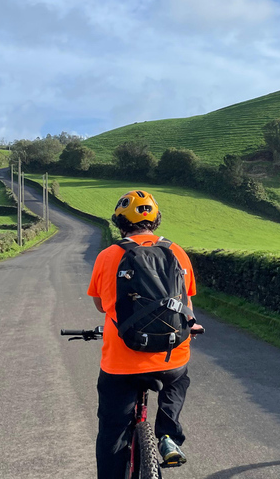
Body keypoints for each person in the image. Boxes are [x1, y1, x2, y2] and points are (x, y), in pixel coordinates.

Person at [87, 190, 201, 478]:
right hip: (171, 356)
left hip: (122, 363)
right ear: (156, 220)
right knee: (179, 377)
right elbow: (186, 304)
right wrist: (193, 324)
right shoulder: (178, 253)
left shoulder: (108, 256)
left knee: (113, 430)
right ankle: (168, 435)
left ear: (119, 223)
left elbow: (101, 304)